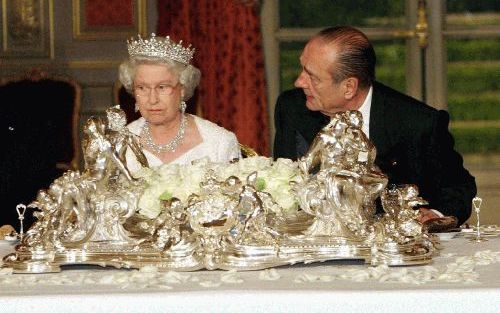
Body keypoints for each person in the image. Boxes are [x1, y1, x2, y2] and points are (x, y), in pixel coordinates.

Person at [273, 26, 476, 226]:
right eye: (302, 69)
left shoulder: (417, 123)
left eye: (313, 77)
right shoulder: (291, 108)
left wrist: (434, 215)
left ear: (349, 87)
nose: (299, 82)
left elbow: (458, 187)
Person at [118, 33, 241, 173]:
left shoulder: (219, 142)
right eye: (142, 88)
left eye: (162, 87)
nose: (152, 99)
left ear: (182, 88)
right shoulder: (119, 145)